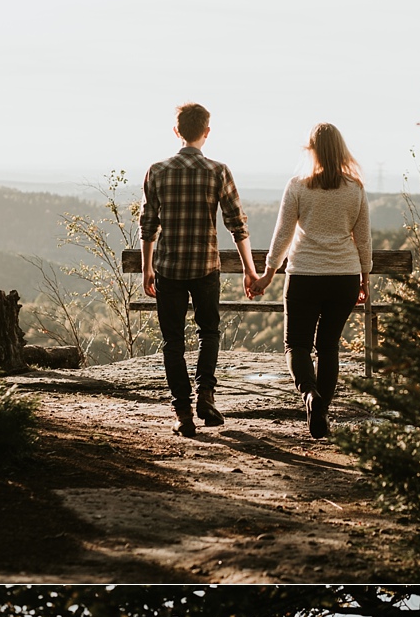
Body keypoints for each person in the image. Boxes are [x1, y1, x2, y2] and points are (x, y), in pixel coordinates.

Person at [140, 102, 259, 437]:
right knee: (208, 332)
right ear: (207, 132)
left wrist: (147, 270)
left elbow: (148, 226)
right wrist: (251, 270)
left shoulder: (157, 171)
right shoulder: (218, 171)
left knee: (172, 341)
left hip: (169, 269)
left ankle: (182, 412)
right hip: (206, 267)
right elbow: (238, 225)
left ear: (176, 131)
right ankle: (206, 395)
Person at [252, 122, 372, 438]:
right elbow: (363, 239)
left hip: (304, 274)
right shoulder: (355, 187)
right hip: (344, 277)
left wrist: (268, 273)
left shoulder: (298, 186)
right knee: (328, 346)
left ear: (312, 151)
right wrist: (364, 279)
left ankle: (309, 395)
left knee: (297, 344)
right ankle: (323, 410)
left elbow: (282, 235)